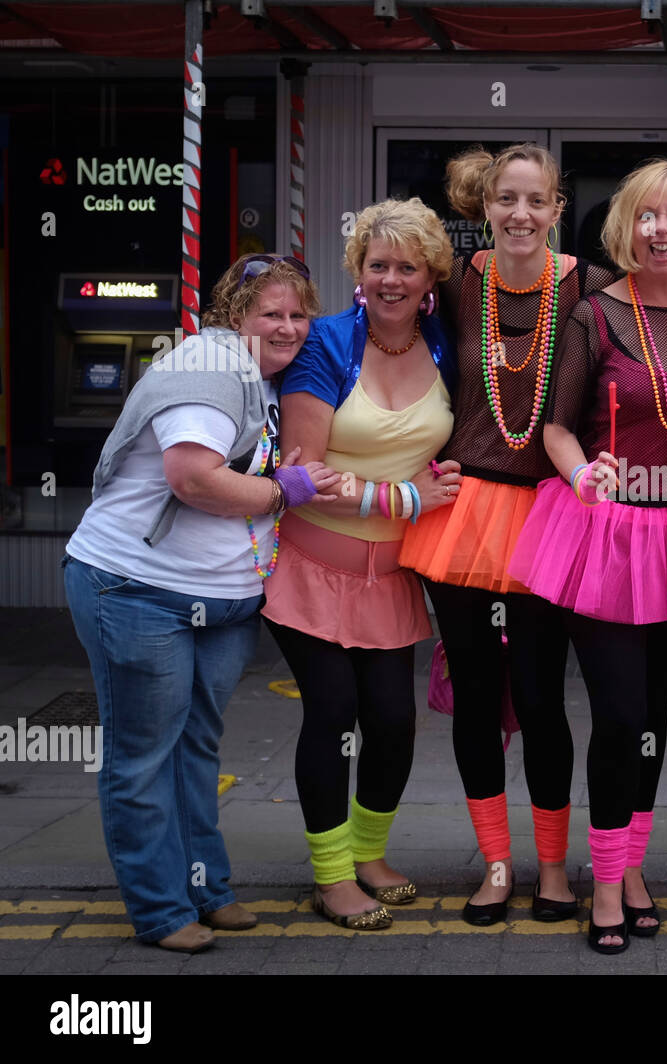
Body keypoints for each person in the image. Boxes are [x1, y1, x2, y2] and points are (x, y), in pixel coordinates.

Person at [508, 158, 667, 953]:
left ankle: (631, 865)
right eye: (647, 216)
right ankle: (604, 885)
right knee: (619, 713)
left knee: (655, 715)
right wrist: (583, 474)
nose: (661, 231)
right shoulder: (593, 316)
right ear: (624, 227)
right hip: (606, 534)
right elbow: (556, 426)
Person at [64, 254, 338, 952]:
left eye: (297, 314)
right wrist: (289, 491)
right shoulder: (208, 367)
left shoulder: (266, 378)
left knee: (194, 748)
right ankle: (160, 910)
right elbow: (194, 478)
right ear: (232, 317)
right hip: (137, 588)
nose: (286, 326)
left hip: (222, 602)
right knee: (144, 754)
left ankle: (208, 890)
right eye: (269, 313)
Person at [399, 144, 618, 925]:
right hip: (462, 515)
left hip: (550, 512)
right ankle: (496, 865)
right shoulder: (456, 286)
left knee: (542, 695)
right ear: (485, 207)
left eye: (536, 201)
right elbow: (377, 319)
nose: (520, 214)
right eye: (506, 200)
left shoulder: (591, 289)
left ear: (558, 209)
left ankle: (553, 870)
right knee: (478, 700)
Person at [263, 199, 462, 930]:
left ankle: (370, 856)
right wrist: (407, 497)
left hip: (394, 577)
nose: (391, 279)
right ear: (358, 271)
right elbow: (303, 472)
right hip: (310, 567)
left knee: (393, 719)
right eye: (377, 264)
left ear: (429, 275)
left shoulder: (444, 340)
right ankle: (330, 876)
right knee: (334, 711)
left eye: (407, 266)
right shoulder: (325, 343)